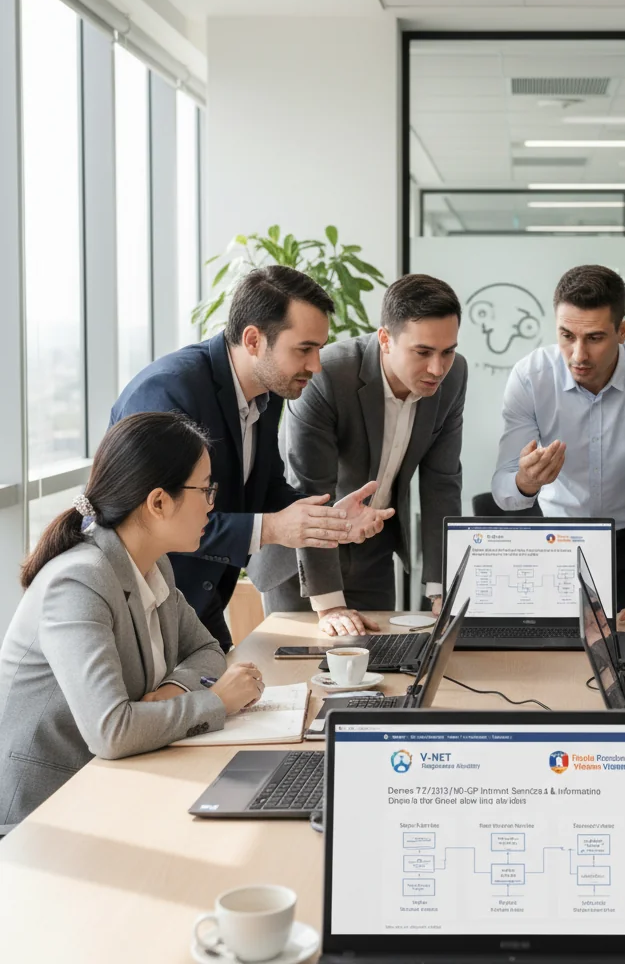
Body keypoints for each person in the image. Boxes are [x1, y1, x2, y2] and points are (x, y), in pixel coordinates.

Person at [0, 413, 266, 834]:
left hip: (115, 787)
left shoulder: (152, 563)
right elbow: (112, 731)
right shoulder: (79, 581)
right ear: (159, 502)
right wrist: (218, 701)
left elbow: (207, 649)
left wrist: (170, 692)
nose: (212, 503)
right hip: (45, 815)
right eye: (205, 489)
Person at [110, 266, 391, 651]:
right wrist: (274, 529)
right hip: (141, 615)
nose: (316, 366)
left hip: (198, 610)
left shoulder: (267, 392)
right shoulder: (170, 390)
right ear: (254, 339)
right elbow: (156, 519)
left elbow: (268, 486)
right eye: (304, 349)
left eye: (319, 349)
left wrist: (326, 521)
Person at [249, 274, 466, 635]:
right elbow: (309, 488)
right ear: (385, 340)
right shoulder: (329, 374)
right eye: (423, 352)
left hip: (373, 549)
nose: (437, 369)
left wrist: (442, 589)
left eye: (448, 351)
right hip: (302, 556)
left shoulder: (453, 378)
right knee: (302, 674)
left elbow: (442, 483)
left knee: (383, 666)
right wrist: (331, 604)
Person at [491, 264, 625, 630]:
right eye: (566, 335)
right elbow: (503, 490)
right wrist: (526, 482)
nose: (578, 355)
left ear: (622, 331)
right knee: (551, 669)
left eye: (595, 338)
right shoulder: (531, 377)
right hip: (557, 548)